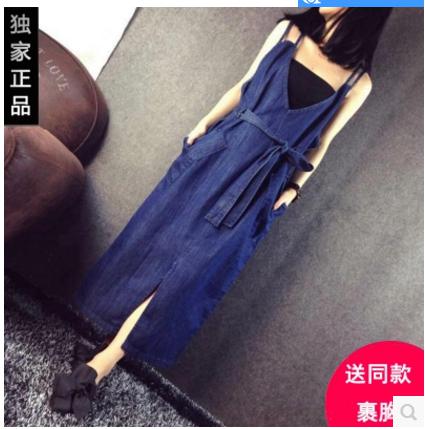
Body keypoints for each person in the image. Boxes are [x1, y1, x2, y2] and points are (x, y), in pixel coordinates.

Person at [50, 7, 392, 419]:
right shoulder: (289, 31)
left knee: (189, 279)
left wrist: (293, 190)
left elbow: (323, 143)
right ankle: (99, 359)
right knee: (155, 245)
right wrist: (204, 124)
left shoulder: (359, 82)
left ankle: (99, 364)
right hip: (221, 152)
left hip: (262, 185)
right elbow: (244, 87)